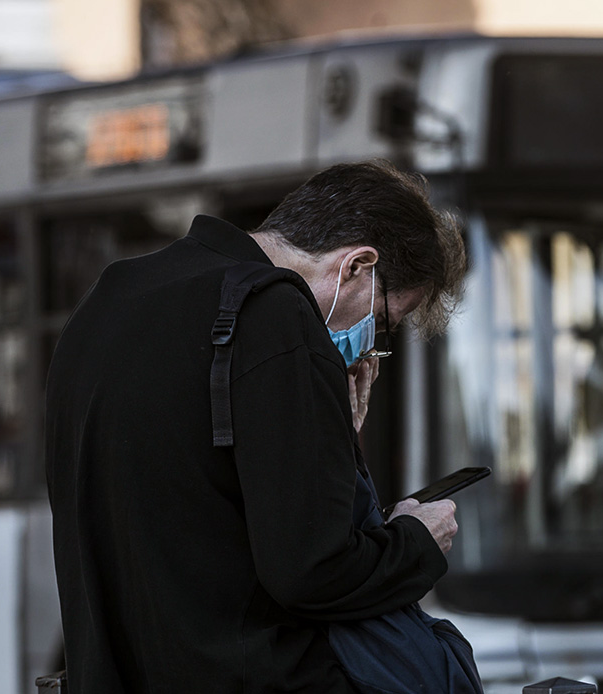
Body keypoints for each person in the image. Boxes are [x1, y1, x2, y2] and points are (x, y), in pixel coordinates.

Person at [45, 160, 467, 693]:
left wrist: (328, 432)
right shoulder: (279, 317)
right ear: (357, 265)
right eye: (384, 321)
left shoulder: (113, 296)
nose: (371, 344)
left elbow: (193, 494)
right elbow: (313, 571)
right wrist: (417, 540)